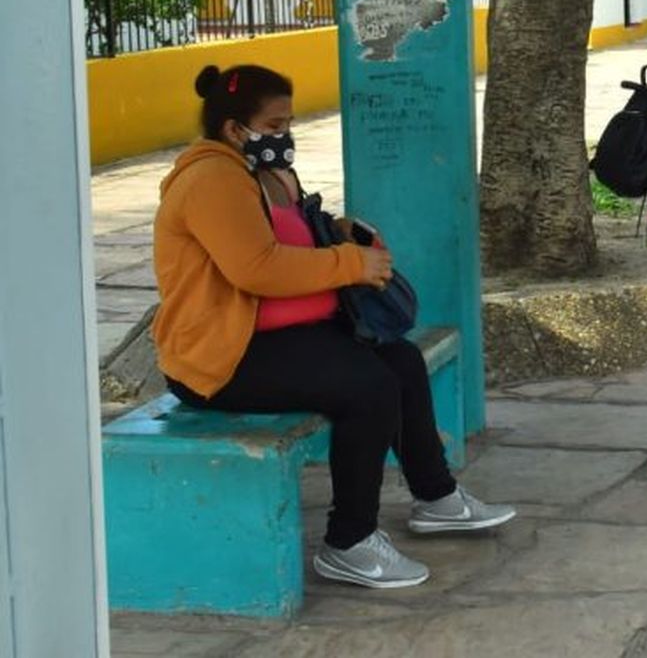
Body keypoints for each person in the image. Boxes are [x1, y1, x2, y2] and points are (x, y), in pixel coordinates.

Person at [153, 64, 515, 591]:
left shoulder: (266, 174)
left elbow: (293, 233)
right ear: (235, 130)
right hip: (222, 356)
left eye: (288, 122)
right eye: (275, 125)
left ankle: (436, 497)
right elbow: (257, 267)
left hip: (281, 338)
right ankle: (348, 541)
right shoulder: (211, 179)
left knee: (401, 360)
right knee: (368, 389)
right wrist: (351, 265)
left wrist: (341, 232)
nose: (285, 135)